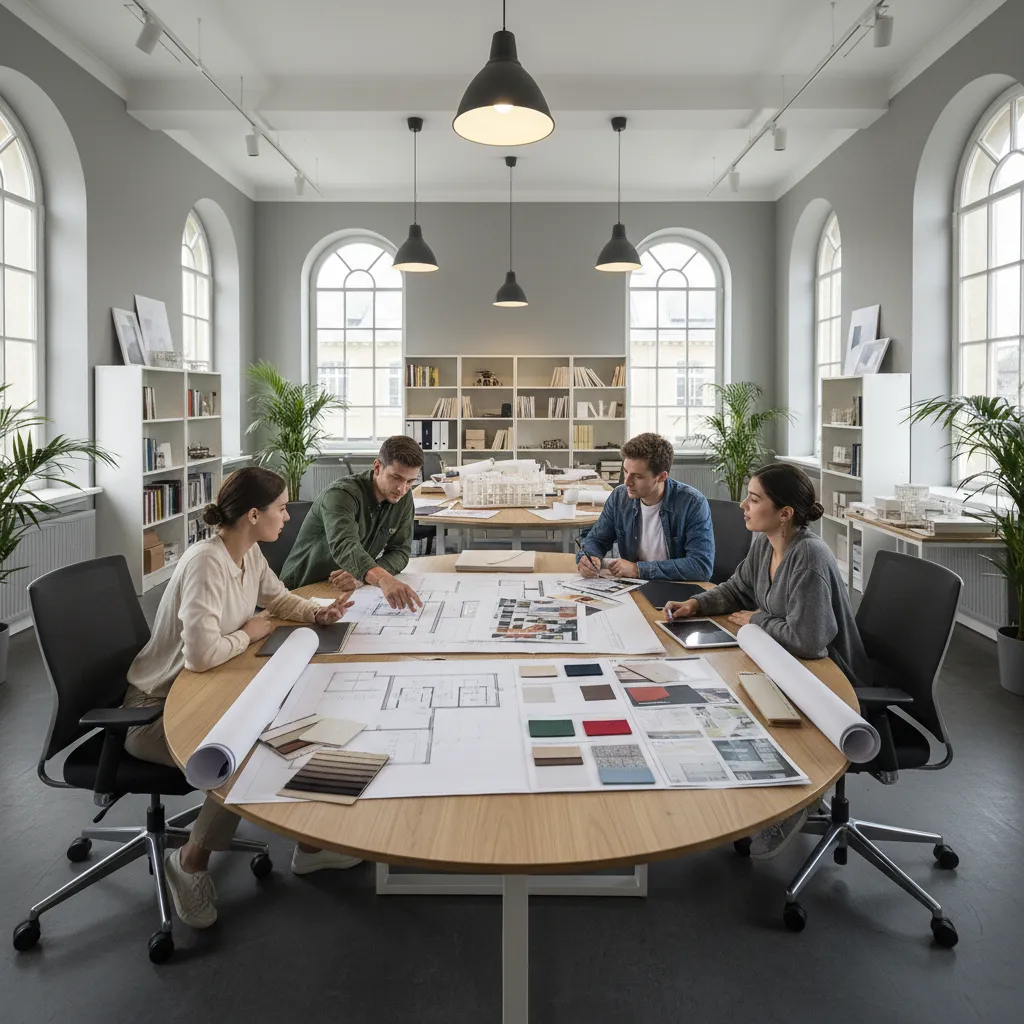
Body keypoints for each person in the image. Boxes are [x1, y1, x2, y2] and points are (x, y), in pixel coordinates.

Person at [123, 467, 358, 929]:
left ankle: (309, 846)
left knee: (283, 717)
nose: (288, 517)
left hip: (198, 689)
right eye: (282, 508)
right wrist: (248, 633)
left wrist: (319, 613)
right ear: (253, 514)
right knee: (244, 750)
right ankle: (188, 862)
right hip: (152, 710)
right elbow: (200, 655)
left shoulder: (247, 553)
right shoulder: (206, 562)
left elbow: (279, 599)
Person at [664, 462, 871, 859]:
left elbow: (809, 642)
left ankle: (796, 795)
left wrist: (759, 619)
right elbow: (738, 589)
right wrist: (695, 603)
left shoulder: (808, 558)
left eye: (755, 499)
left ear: (785, 513)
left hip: (826, 681)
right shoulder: (766, 542)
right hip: (783, 662)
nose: (744, 505)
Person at [281, 435, 424, 610]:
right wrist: (381, 578)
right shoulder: (340, 495)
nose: (402, 488)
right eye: (396, 478)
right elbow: (345, 546)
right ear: (377, 467)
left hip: (345, 592)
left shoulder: (403, 496)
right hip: (302, 591)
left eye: (410, 481)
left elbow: (401, 551)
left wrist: (363, 574)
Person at [575, 432, 714, 581]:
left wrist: (638, 569)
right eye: (626, 471)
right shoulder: (619, 497)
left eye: (637, 476)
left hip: (676, 589)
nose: (627, 482)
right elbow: (596, 540)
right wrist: (587, 558)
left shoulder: (693, 503)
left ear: (661, 477)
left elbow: (701, 567)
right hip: (634, 585)